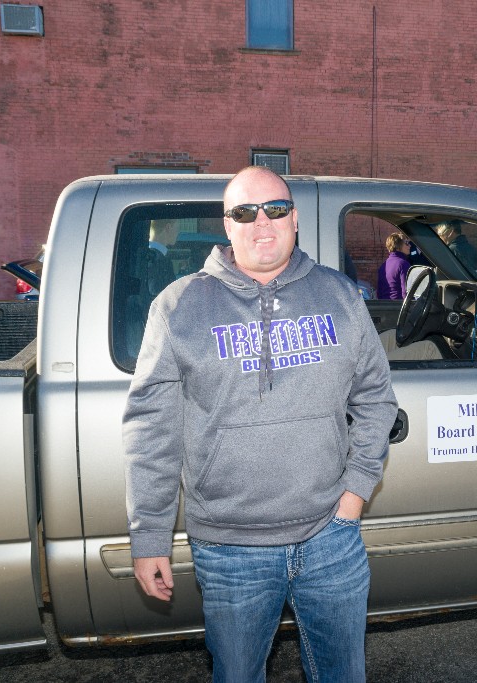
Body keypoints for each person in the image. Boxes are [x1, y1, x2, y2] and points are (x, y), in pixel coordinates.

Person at [122, 166, 398, 683]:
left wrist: (355, 494)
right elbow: (150, 431)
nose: (261, 222)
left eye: (274, 208)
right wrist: (150, 536)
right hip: (229, 549)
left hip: (330, 539)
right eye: (244, 212)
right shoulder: (179, 306)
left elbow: (376, 400)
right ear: (226, 226)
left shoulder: (340, 297)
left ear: (294, 219)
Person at [376, 232, 412, 299]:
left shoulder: (383, 265)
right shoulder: (403, 264)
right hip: (399, 305)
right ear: (398, 246)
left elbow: (379, 291)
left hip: (384, 306)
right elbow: (406, 292)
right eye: (406, 243)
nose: (410, 246)